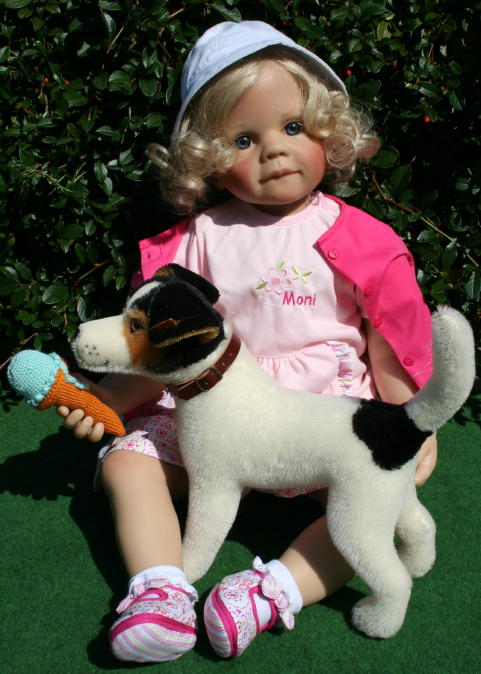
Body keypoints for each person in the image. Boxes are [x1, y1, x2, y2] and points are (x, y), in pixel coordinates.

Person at [58, 20, 437, 663]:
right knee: (128, 463)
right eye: (243, 139)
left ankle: (274, 590)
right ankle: (161, 586)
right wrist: (110, 402)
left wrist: (410, 421)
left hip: (322, 420)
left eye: (293, 127)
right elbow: (162, 344)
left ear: (328, 131)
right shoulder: (197, 240)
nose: (274, 151)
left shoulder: (358, 237)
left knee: (367, 506)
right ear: (206, 157)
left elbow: (390, 340)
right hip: (212, 421)